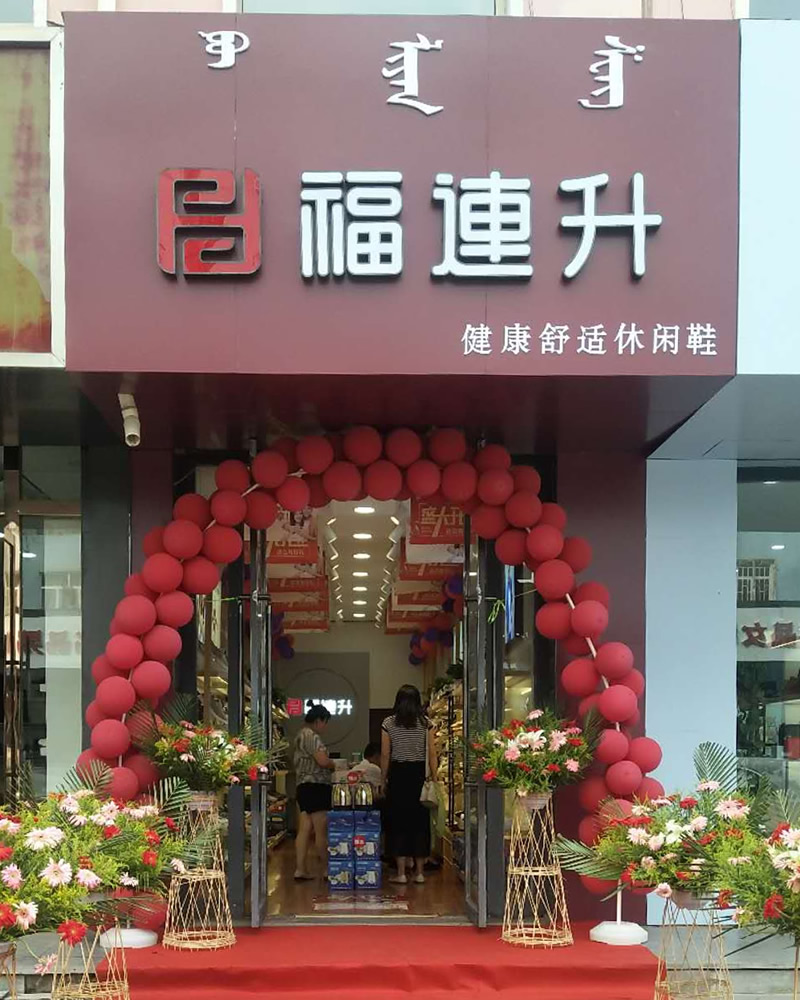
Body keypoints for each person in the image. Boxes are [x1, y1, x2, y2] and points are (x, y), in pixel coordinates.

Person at [381, 684, 437, 885]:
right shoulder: (426, 723)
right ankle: (420, 873)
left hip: (398, 775)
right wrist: (435, 779)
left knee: (398, 823)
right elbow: (432, 753)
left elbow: (385, 754)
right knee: (420, 823)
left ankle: (401, 873)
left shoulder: (388, 723)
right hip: (418, 776)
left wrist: (383, 779)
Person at [293, 704, 335, 880]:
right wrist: (334, 764)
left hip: (303, 786)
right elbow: (323, 761)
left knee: (304, 829)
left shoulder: (300, 735)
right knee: (320, 830)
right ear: (318, 720)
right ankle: (327, 870)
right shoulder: (312, 736)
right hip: (316, 786)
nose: (325, 727)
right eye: (325, 722)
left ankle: (300, 869)